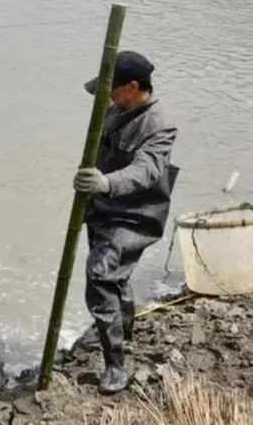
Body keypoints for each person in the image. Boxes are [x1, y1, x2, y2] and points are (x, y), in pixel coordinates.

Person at [73, 51, 179, 395]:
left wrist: (106, 183)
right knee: (116, 277)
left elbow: (146, 169)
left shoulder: (159, 123)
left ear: (133, 87)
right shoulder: (115, 109)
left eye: (112, 90)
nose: (107, 97)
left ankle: (116, 366)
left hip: (136, 215)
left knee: (100, 276)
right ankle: (123, 329)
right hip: (103, 209)